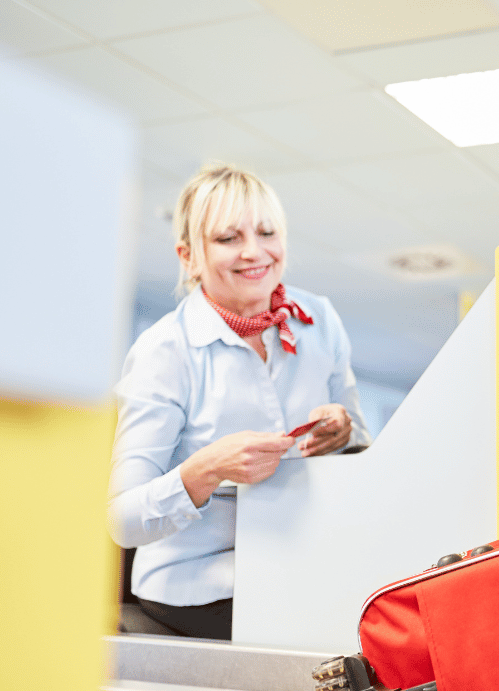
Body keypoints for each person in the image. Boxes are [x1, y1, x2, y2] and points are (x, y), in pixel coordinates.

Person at [108, 164, 371, 640]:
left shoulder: (320, 320)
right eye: (229, 238)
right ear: (189, 257)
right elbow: (122, 520)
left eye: (267, 232)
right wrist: (206, 469)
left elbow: (362, 450)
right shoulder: (164, 350)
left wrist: (345, 432)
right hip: (197, 581)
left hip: (302, 558)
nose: (255, 252)